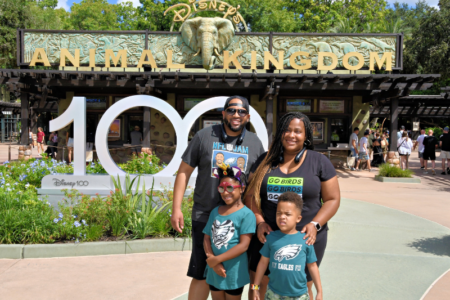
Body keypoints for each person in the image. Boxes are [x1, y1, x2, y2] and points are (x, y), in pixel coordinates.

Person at [171, 95, 265, 300]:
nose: (236, 115)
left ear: (247, 116)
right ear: (223, 113)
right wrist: (176, 208)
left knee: (235, 272)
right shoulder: (204, 136)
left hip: (239, 219)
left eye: (241, 111)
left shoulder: (254, 143)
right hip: (206, 215)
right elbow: (183, 172)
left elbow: (257, 184)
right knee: (202, 273)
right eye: (231, 110)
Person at [245, 112, 340, 299]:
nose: (292, 135)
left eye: (298, 131)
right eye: (287, 130)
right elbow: (250, 196)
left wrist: (315, 224)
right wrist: (259, 221)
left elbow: (332, 199)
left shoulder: (319, 161)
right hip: (267, 236)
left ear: (306, 136)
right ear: (280, 133)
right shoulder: (265, 161)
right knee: (259, 284)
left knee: (302, 286)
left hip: (306, 239)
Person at [252, 192, 323, 300]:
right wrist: (255, 287)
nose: (282, 217)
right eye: (279, 213)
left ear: (298, 218)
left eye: (287, 214)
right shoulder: (271, 238)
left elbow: (313, 266)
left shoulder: (305, 240)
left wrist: (319, 292)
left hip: (299, 296)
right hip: (273, 294)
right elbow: (262, 263)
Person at [203, 163, 256, 300]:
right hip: (214, 270)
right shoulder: (215, 212)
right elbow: (207, 238)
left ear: (242, 188)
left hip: (233, 273)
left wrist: (216, 260)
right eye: (221, 188)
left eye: (230, 188)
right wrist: (212, 261)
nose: (225, 192)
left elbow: (244, 245)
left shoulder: (247, 214)